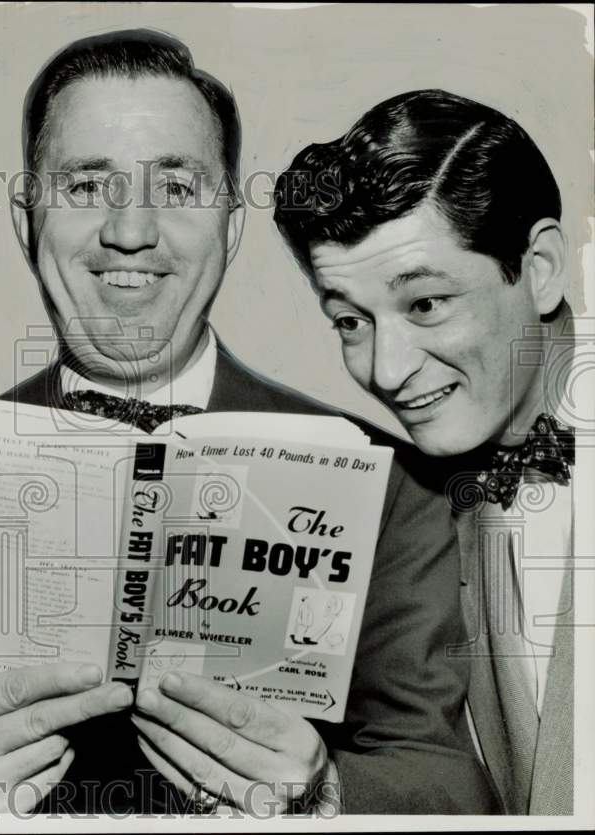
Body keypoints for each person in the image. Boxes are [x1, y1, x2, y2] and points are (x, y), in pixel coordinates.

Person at [0, 32, 498, 814]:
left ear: (231, 228)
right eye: (85, 186)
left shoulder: (387, 483)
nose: (131, 232)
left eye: (177, 190)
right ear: (25, 221)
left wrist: (325, 794)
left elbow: (452, 785)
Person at [274, 88, 581, 815]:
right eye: (351, 320)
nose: (386, 369)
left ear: (538, 269)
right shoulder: (406, 508)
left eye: (425, 304)